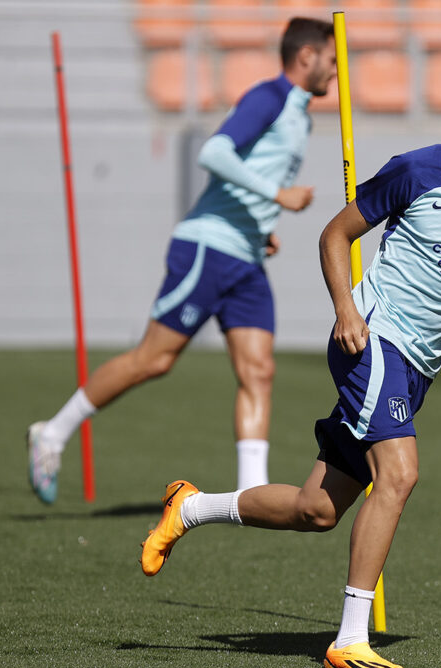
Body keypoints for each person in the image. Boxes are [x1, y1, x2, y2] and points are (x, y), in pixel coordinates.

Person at [138, 78, 441, 668]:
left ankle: (189, 508)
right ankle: (348, 640)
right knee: (399, 472)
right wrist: (346, 308)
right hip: (372, 339)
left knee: (315, 510)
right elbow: (335, 234)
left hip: (420, 365)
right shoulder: (419, 171)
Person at [26, 18, 337, 502]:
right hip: (208, 248)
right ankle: (53, 433)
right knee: (155, 359)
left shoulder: (301, 115)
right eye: (332, 61)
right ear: (307, 57)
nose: (335, 74)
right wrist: (277, 194)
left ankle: (250, 493)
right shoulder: (269, 98)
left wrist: (262, 226)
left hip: (247, 255)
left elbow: (245, 172)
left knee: (259, 370)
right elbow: (214, 153)